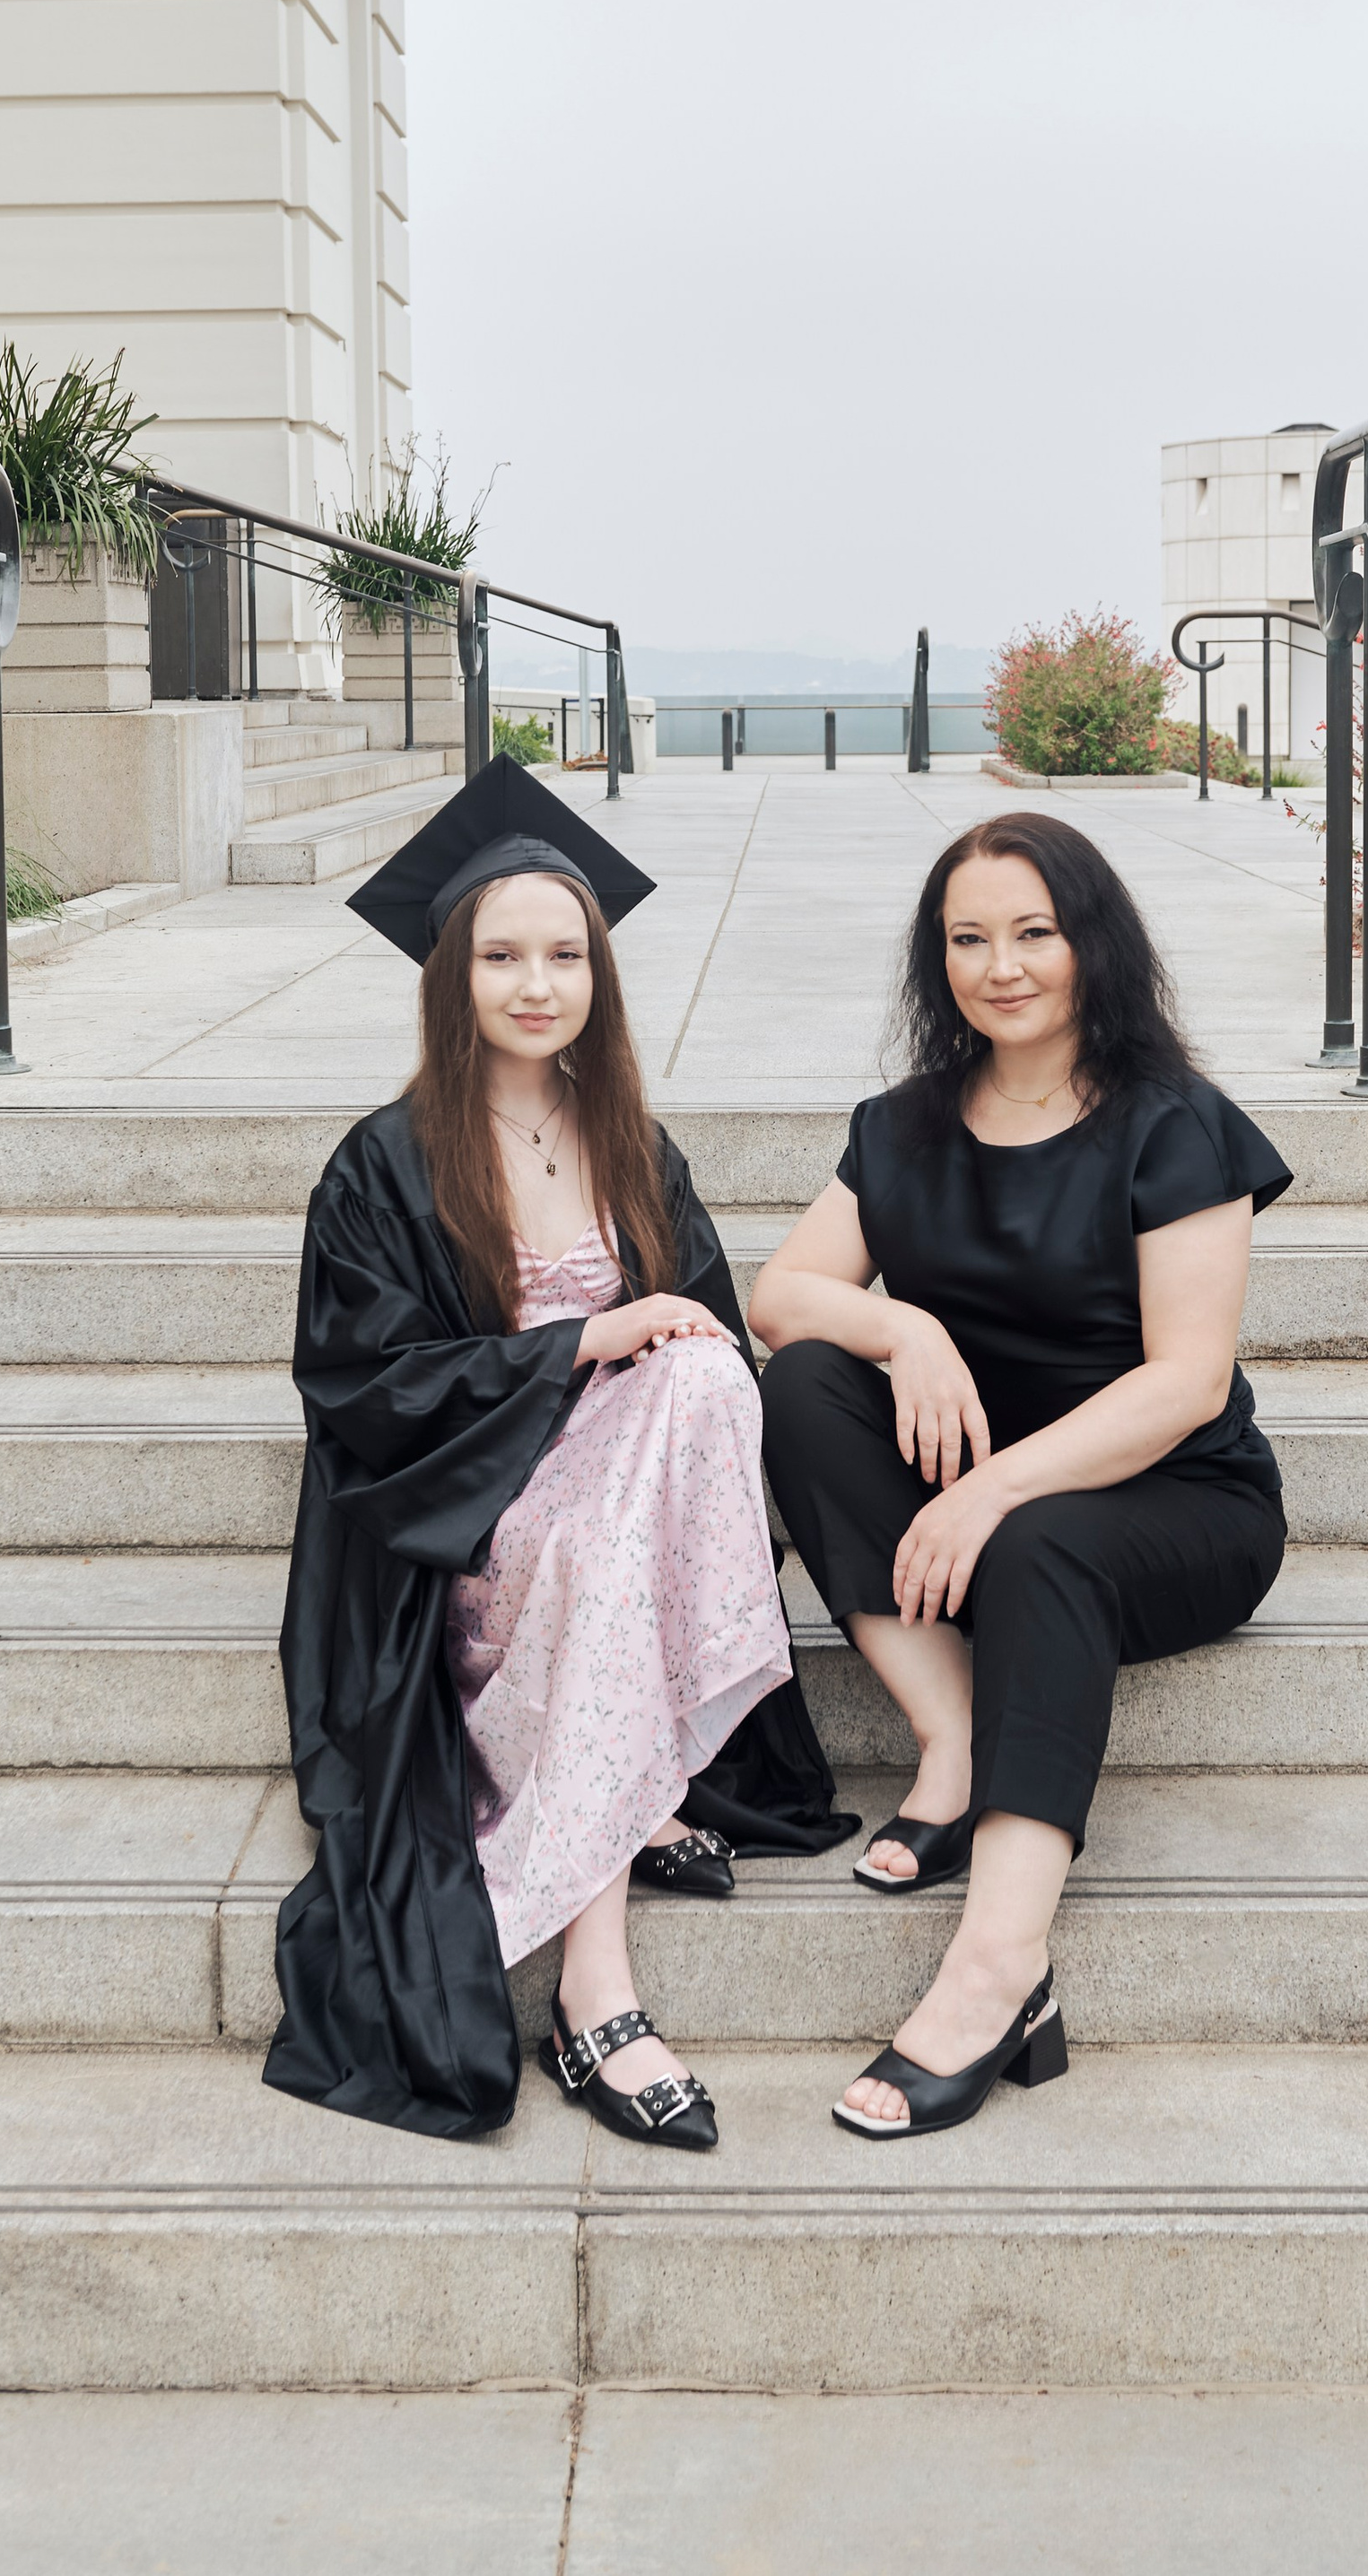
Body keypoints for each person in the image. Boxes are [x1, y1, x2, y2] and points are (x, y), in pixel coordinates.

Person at [264, 753, 852, 2152]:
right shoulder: (384, 1164)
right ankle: (598, 1985)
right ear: (450, 977)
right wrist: (580, 1344)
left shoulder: (631, 1143)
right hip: (466, 1520)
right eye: (502, 956)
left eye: (565, 955)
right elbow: (363, 1393)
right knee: (612, 1499)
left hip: (621, 1519)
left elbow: (709, 1366)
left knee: (708, 1373)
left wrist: (654, 1351)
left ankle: (615, 1845)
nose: (538, 984)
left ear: (600, 972)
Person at [750, 810, 1291, 2140]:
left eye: (1034, 933)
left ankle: (999, 1969)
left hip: (1173, 1502)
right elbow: (781, 1294)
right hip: (979, 1485)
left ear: (1091, 943)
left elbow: (1188, 1383)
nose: (1002, 967)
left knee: (1046, 1540)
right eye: (968, 939)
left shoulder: (1177, 1126)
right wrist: (905, 1331)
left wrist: (991, 1493)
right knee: (804, 1383)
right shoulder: (902, 1126)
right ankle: (952, 1735)